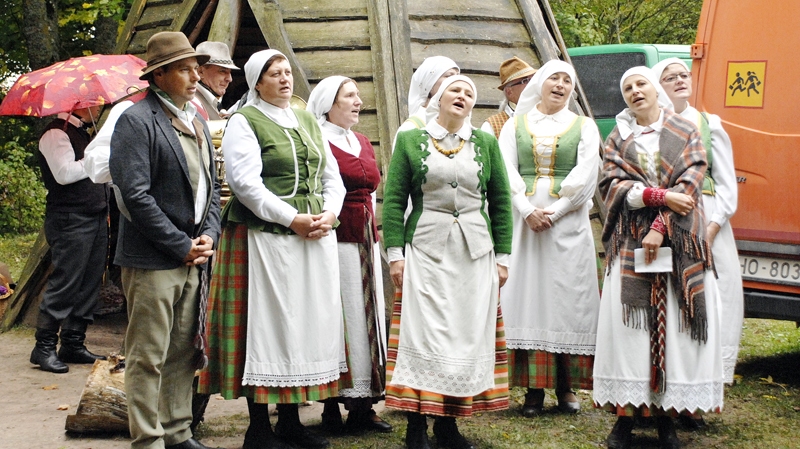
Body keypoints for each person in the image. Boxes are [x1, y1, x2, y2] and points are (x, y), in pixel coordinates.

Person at [198, 49, 346, 449]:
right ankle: (258, 428)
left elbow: (332, 176)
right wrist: (291, 218)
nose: (284, 79)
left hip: (313, 235)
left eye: (286, 72)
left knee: (301, 324)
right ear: (256, 82)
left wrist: (329, 214)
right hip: (263, 235)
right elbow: (246, 185)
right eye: (274, 74)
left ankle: (292, 422)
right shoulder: (244, 121)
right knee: (265, 325)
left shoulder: (306, 120)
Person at [593, 66, 723, 449]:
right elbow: (611, 185)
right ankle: (625, 420)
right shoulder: (618, 138)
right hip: (631, 240)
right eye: (628, 87)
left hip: (681, 241)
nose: (635, 91)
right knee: (631, 331)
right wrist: (656, 197)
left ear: (654, 90)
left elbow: (692, 184)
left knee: (677, 331)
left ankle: (668, 421)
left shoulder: (686, 131)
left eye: (641, 84)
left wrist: (661, 225)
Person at [383, 74, 513, 449]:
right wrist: (396, 254)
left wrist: (502, 257)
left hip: (474, 254)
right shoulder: (411, 140)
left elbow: (501, 203)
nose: (462, 96)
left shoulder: (486, 143)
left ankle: (448, 426)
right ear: (438, 98)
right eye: (455, 90)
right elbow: (393, 201)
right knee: (423, 335)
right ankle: (416, 425)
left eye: (469, 93)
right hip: (425, 249)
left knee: (463, 337)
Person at [109, 31, 221, 449]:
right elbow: (133, 195)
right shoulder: (135, 121)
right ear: (158, 75)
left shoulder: (197, 119)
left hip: (194, 256)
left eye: (196, 68)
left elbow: (212, 188)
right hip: (154, 258)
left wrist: (208, 234)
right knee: (148, 355)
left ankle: (177, 431)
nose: (196, 76)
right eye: (184, 69)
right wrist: (179, 244)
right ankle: (148, 439)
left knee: (181, 353)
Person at [497, 59, 601, 416]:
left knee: (565, 298)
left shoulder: (584, 126)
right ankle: (532, 390)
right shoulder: (515, 125)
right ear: (540, 83)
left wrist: (555, 212)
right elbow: (506, 169)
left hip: (567, 224)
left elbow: (587, 173)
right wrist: (526, 211)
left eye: (566, 81)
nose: (559, 85)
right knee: (528, 297)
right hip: (525, 224)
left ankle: (566, 385)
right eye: (554, 78)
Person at [306, 76, 392, 434]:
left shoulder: (361, 141)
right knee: (339, 317)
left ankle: (364, 405)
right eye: (350, 96)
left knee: (368, 318)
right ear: (329, 103)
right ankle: (330, 405)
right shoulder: (316, 139)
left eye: (358, 95)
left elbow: (370, 191)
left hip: (365, 239)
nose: (358, 101)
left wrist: (376, 236)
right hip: (335, 240)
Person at [652, 58, 743, 389]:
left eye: (683, 75)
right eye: (669, 77)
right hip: (666, 215)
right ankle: (675, 370)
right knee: (675, 292)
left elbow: (726, 182)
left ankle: (711, 374)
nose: (679, 80)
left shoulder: (709, 124)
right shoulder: (654, 125)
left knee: (716, 290)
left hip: (707, 214)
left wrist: (713, 227)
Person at [30, 104, 108, 374]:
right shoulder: (55, 134)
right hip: (69, 219)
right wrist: (97, 156)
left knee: (89, 283)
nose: (99, 107)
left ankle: (73, 343)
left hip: (94, 217)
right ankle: (44, 347)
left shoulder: (83, 134)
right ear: (80, 105)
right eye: (95, 103)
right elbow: (64, 175)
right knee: (66, 282)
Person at [395, 56, 460, 136]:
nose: (456, 81)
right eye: (449, 76)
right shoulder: (410, 129)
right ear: (430, 83)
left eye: (457, 76)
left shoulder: (459, 126)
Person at [480, 56, 536, 138]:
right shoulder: (491, 127)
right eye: (526, 81)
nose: (533, 84)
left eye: (534, 79)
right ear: (509, 92)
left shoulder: (546, 116)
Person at [194, 41, 240, 120]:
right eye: (222, 71)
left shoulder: (212, 101)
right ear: (200, 72)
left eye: (230, 72)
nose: (230, 79)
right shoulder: (192, 102)